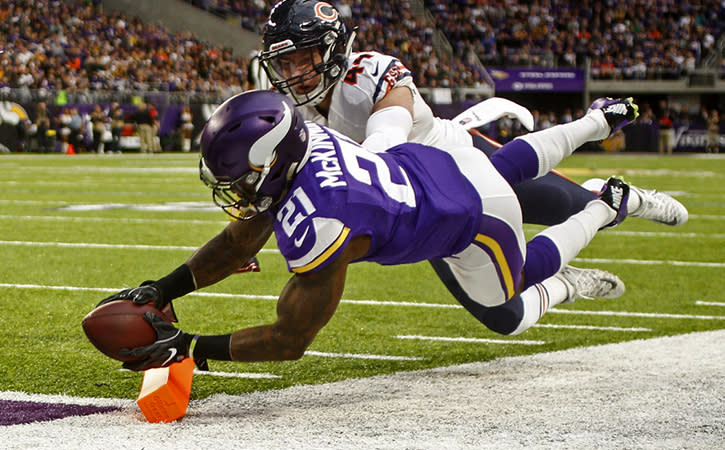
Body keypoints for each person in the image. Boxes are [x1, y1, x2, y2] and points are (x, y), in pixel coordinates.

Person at [102, 90, 642, 371]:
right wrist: (163, 289)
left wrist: (191, 348)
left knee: (511, 287)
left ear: (270, 164)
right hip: (441, 162)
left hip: (475, 222)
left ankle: (602, 210)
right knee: (508, 164)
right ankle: (598, 120)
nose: (236, 190)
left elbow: (290, 340)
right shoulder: (306, 140)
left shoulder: (325, 224)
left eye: (241, 177)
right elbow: (244, 235)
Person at [252, 0, 688, 335]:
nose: (292, 73)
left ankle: (623, 196)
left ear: (331, 51)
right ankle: (569, 283)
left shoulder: (368, 73)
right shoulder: (292, 114)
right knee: (507, 317)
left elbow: (386, 139)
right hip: (428, 210)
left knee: (578, 207)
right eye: (283, 62)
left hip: (467, 165)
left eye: (302, 59)